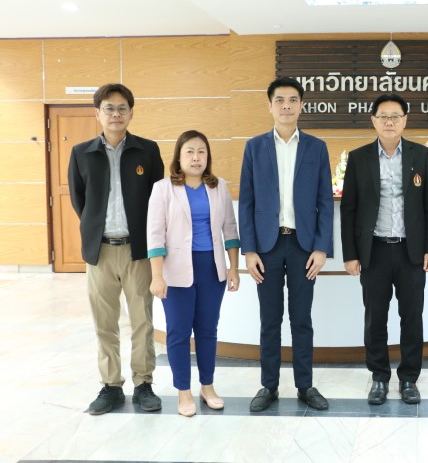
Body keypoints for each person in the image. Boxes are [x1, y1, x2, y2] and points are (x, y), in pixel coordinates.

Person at [67, 83, 164, 415]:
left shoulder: (147, 151)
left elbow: (158, 201)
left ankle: (143, 384)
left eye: (122, 108)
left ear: (131, 113)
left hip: (139, 252)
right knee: (104, 323)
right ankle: (111, 386)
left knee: (142, 321)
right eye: (109, 108)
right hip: (101, 252)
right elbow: (80, 201)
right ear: (98, 113)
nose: (116, 114)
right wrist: (96, 230)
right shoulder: (81, 153)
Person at [239, 77, 334, 412]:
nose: (286, 106)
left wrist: (321, 248)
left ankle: (305, 386)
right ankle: (269, 385)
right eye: (279, 100)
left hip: (303, 247)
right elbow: (246, 202)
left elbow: (325, 200)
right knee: (270, 320)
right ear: (270, 106)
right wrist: (249, 250)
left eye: (293, 100)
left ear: (301, 106)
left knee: (301, 319)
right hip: (266, 247)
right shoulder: (254, 147)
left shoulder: (316, 147)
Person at [340, 93, 428, 405]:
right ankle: (379, 378)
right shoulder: (359, 158)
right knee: (375, 319)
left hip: (411, 252)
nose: (389, 121)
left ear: (404, 120)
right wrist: (350, 254)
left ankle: (409, 378)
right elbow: (348, 209)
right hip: (375, 252)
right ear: (373, 120)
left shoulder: (420, 155)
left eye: (395, 116)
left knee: (412, 318)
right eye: (383, 116)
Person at [147, 130, 241, 417]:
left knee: (207, 331)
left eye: (201, 151)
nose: (196, 157)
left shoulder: (218, 186)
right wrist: (157, 276)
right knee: (178, 332)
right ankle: (183, 391)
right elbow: (155, 235)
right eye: (189, 151)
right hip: (175, 272)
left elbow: (230, 229)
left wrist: (233, 267)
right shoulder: (163, 188)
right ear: (179, 156)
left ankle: (207, 387)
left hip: (211, 270)